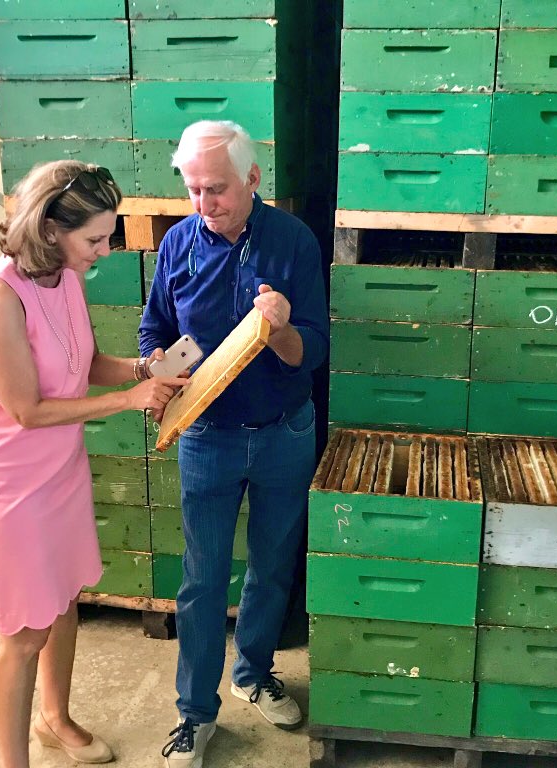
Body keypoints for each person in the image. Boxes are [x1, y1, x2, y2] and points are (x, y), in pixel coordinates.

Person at [0, 160, 185, 768]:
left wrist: (144, 369)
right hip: (10, 481)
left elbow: (81, 364)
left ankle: (54, 719)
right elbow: (27, 409)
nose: (105, 251)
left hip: (59, 470)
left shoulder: (63, 278)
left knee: (63, 604)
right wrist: (130, 399)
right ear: (49, 228)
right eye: (95, 239)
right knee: (24, 634)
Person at [139, 120, 329, 766]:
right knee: (202, 578)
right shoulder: (178, 244)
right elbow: (154, 328)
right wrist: (158, 370)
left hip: (285, 432)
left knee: (272, 565)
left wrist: (281, 329)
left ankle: (253, 673)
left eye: (216, 189)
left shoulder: (294, 242)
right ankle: (195, 714)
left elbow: (312, 351)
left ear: (252, 178)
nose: (204, 203)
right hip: (206, 437)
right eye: (192, 189)